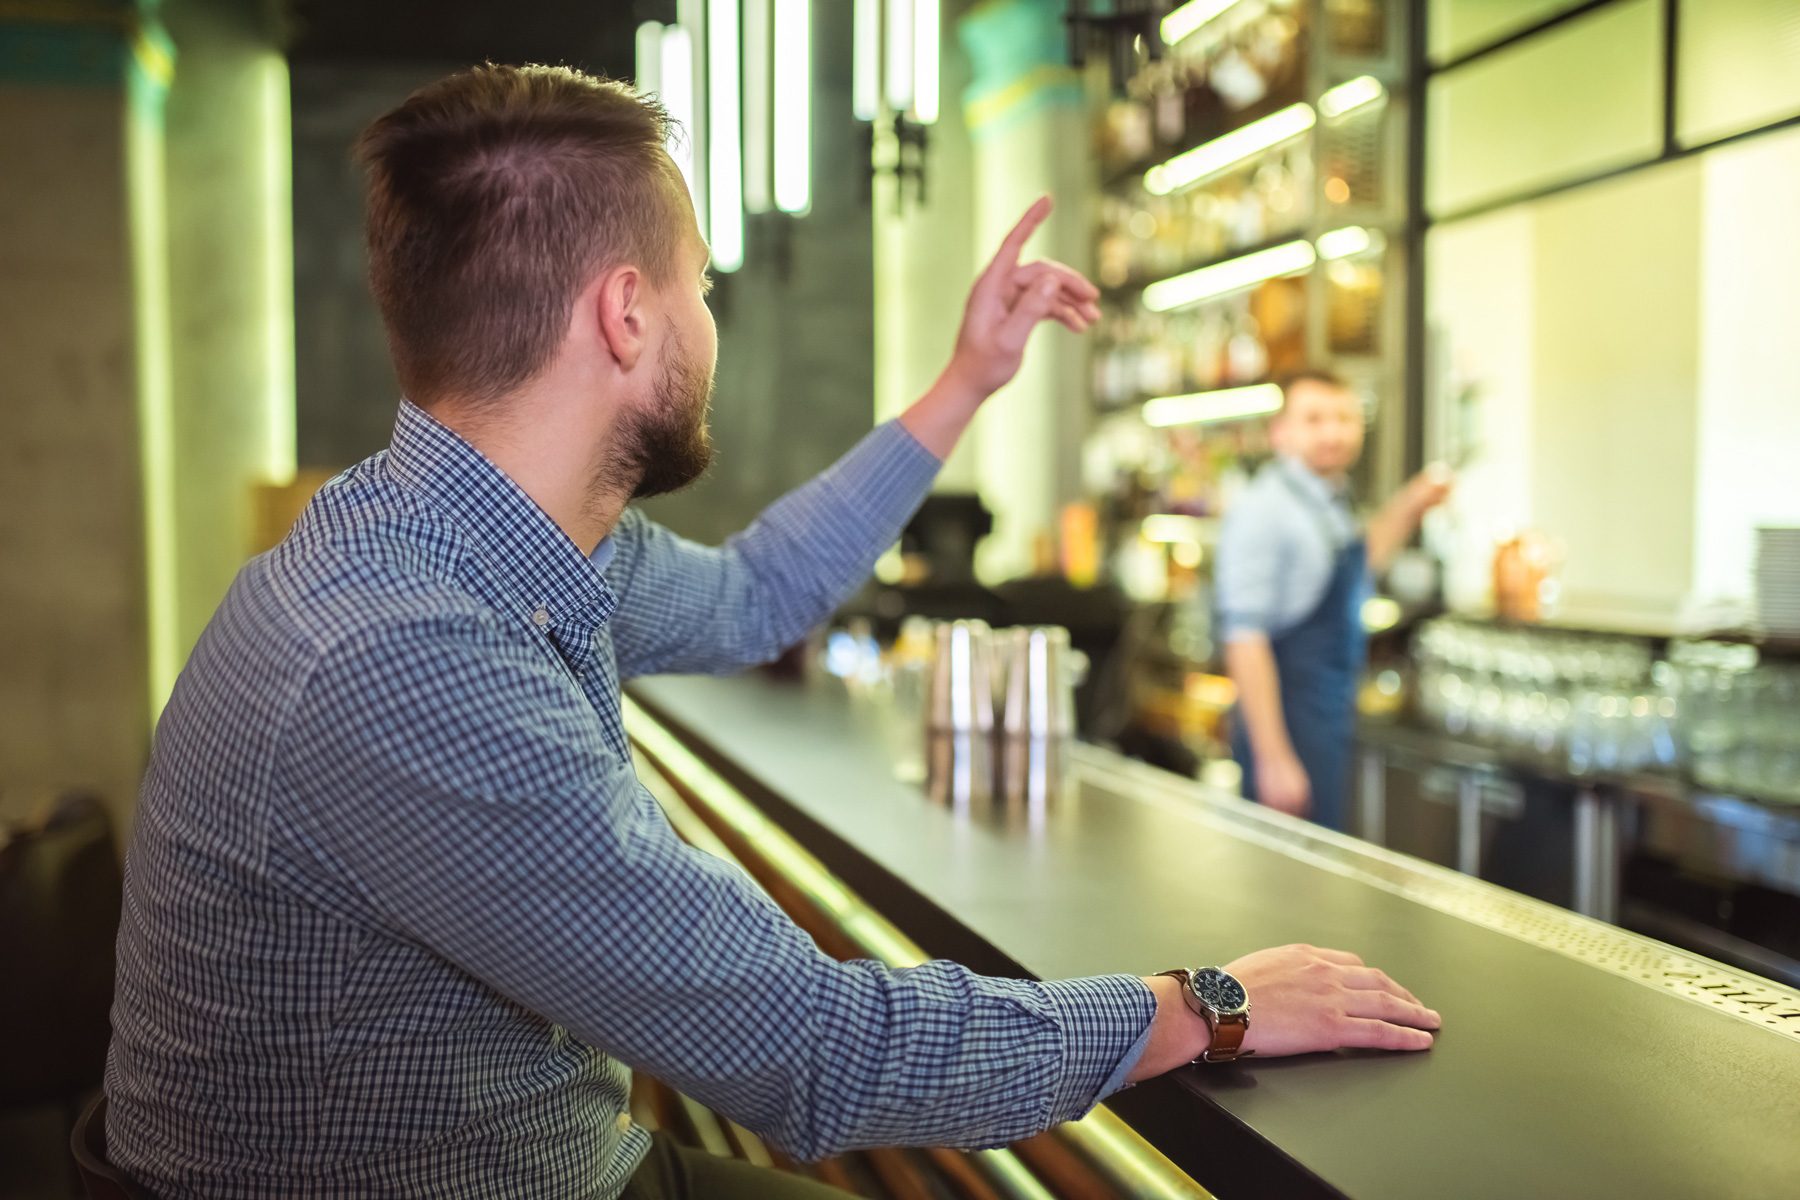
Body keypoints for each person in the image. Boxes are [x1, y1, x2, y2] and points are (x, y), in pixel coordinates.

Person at [104, 67, 1440, 1199]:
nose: (708, 322)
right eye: (697, 286)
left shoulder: (463, 526)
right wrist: (1207, 1005)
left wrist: (964, 385)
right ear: (628, 314)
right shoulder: (408, 653)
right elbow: (811, 1049)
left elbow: (752, 594)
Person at [1217, 370, 1453, 832]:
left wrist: (1413, 504)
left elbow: (1361, 564)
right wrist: (1274, 758)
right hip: (1288, 726)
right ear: (1281, 433)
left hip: (1326, 718)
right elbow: (1244, 636)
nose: (1332, 431)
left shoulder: (1324, 500)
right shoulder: (1264, 509)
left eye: (1344, 417)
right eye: (1314, 418)